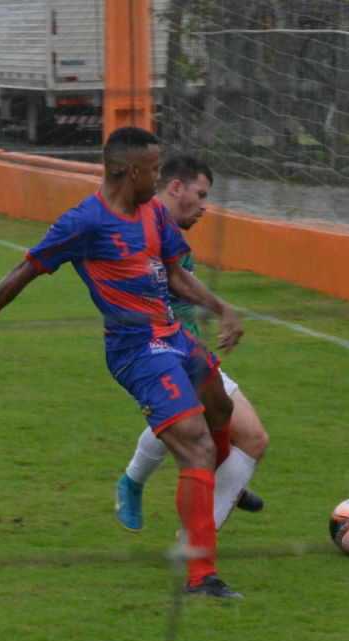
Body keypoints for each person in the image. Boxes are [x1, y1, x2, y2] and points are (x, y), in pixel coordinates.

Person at [0, 127, 248, 599]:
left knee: (221, 413)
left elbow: (172, 274)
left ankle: (201, 494)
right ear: (131, 171)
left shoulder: (152, 215)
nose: (158, 175)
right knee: (196, 445)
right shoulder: (84, 222)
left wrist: (221, 306)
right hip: (136, 351)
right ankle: (201, 574)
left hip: (174, 336)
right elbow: (25, 270)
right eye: (152, 167)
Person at [113, 156, 269, 534]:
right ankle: (184, 513)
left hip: (190, 353)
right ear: (174, 187)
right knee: (228, 435)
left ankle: (197, 509)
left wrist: (219, 312)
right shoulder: (139, 233)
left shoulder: (173, 239)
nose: (204, 206)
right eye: (200, 195)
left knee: (244, 437)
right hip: (151, 354)